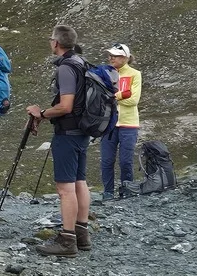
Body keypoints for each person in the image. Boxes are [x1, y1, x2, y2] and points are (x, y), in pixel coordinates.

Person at [25, 24, 92, 257]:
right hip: (83, 131)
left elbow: (65, 106)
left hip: (68, 133)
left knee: (65, 189)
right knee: (79, 181)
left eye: (50, 40)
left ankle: (67, 240)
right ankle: (82, 234)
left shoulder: (66, 68)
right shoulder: (82, 63)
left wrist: (41, 113)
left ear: (56, 43)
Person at [100, 43, 142, 201]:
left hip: (129, 123)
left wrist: (113, 96)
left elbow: (133, 100)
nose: (111, 58)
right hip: (108, 123)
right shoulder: (105, 73)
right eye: (110, 55)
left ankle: (127, 189)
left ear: (125, 57)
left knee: (125, 160)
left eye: (115, 55)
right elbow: (100, 98)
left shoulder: (135, 74)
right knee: (106, 160)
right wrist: (122, 94)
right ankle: (108, 191)